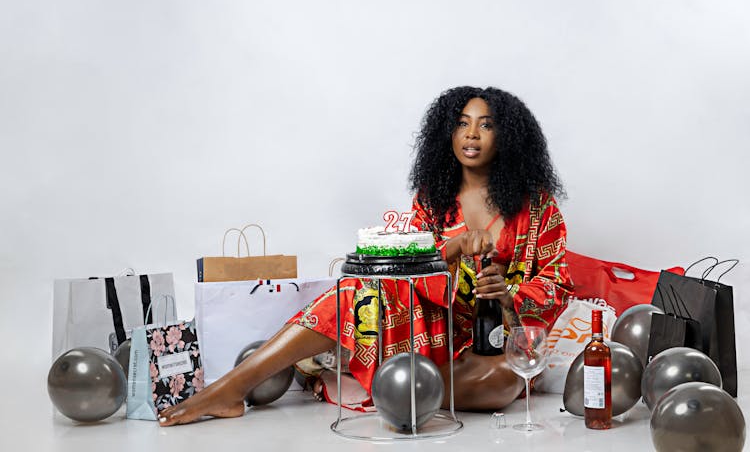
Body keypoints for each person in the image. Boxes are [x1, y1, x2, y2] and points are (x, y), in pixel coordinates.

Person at [158, 86, 573, 426]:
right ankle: (228, 389)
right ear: (446, 133)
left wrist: (508, 296)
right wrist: (454, 247)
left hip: (496, 341)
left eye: (486, 125)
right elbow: (408, 273)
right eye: (462, 124)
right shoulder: (432, 200)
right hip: (435, 323)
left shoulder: (537, 207)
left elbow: (558, 283)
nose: (472, 135)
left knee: (500, 383)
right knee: (356, 289)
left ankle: (380, 383)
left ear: (508, 138)